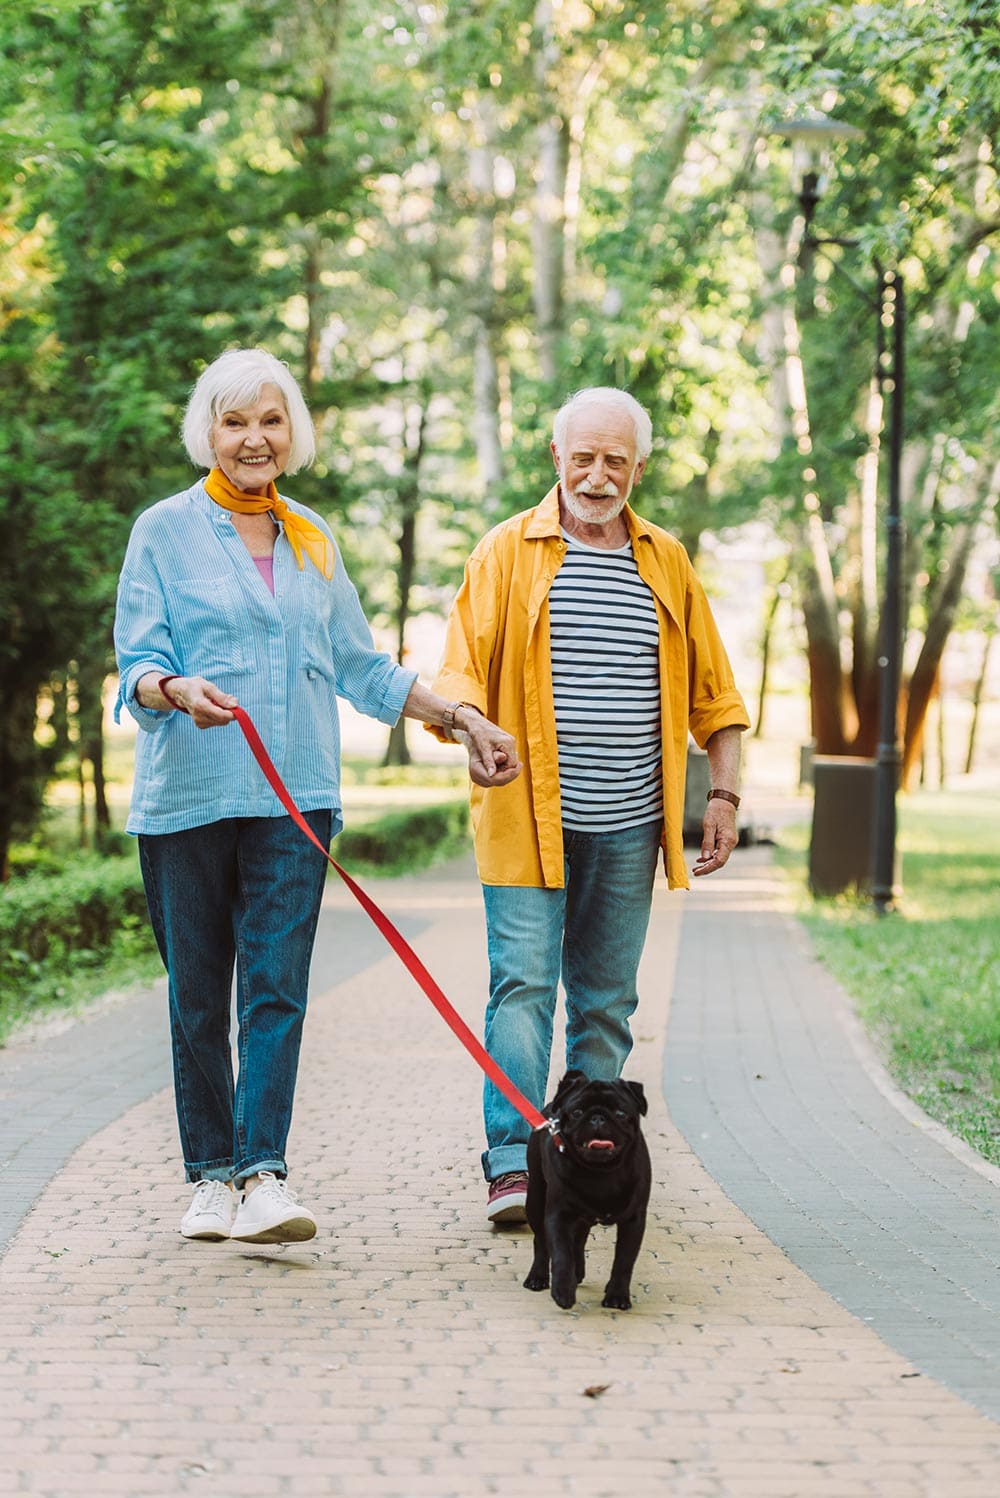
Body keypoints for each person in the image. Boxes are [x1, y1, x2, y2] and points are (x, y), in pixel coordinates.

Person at [114, 347, 519, 1246]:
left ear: (290, 430)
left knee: (276, 992)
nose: (254, 438)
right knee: (195, 999)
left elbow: (361, 667)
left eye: (269, 420)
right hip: (188, 799)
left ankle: (262, 1174)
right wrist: (175, 690)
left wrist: (458, 717)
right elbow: (135, 662)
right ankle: (208, 1178)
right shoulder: (164, 530)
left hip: (296, 799)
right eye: (234, 421)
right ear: (208, 432)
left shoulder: (312, 536)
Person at [428, 386, 749, 1224]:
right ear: (556, 459)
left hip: (630, 825)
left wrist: (723, 793)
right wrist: (467, 722)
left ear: (638, 467)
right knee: (524, 989)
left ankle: (596, 1165)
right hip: (524, 820)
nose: (598, 477)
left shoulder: (665, 561)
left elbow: (717, 697)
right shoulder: (507, 553)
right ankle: (512, 1164)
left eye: (616, 461)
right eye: (584, 459)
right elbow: (459, 668)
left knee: (607, 1002)